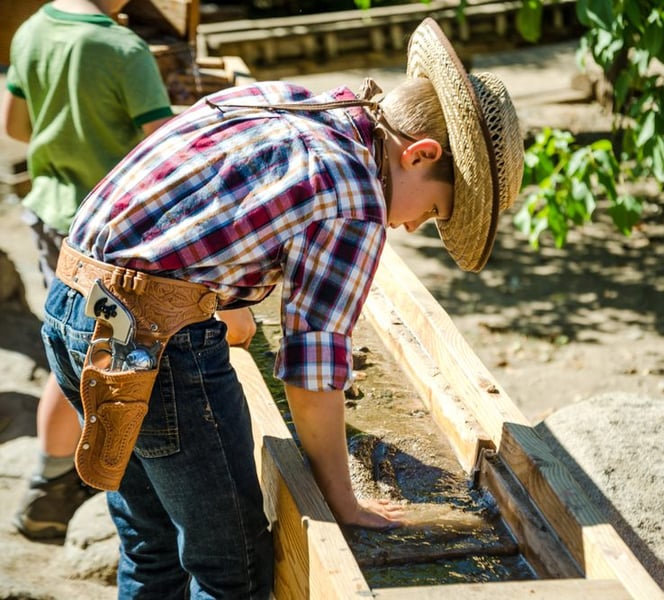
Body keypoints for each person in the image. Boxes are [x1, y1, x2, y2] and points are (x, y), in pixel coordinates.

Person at [39, 16, 523, 598]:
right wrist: (342, 499)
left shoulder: (289, 102)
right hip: (154, 347)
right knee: (233, 564)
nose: (417, 225)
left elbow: (205, 206)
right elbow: (312, 364)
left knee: (152, 543)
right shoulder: (356, 197)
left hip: (74, 304)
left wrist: (220, 303)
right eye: (437, 210)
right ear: (420, 155)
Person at [0, 0, 175, 541]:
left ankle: (47, 484)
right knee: (111, 356)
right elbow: (165, 151)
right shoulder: (125, 49)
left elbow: (15, 126)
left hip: (48, 217)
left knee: (65, 349)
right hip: (104, 236)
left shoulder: (34, 28)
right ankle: (99, 476)